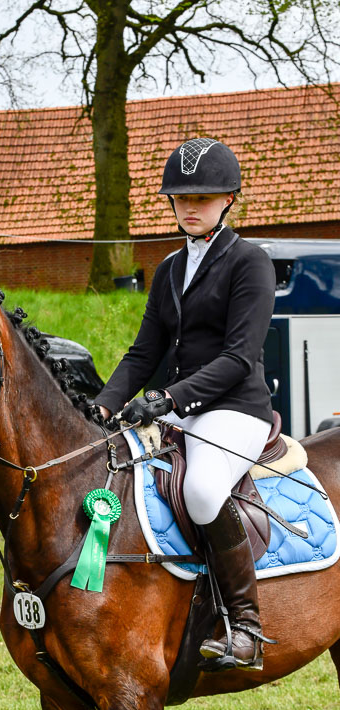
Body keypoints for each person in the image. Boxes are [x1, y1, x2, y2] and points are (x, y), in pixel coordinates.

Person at [95, 137, 276, 670]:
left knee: (199, 489)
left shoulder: (251, 263)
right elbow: (143, 352)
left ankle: (245, 625)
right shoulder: (170, 268)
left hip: (235, 409)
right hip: (179, 409)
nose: (190, 206)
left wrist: (170, 398)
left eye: (203, 196)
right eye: (180, 197)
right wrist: (102, 405)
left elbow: (240, 357)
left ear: (229, 198)